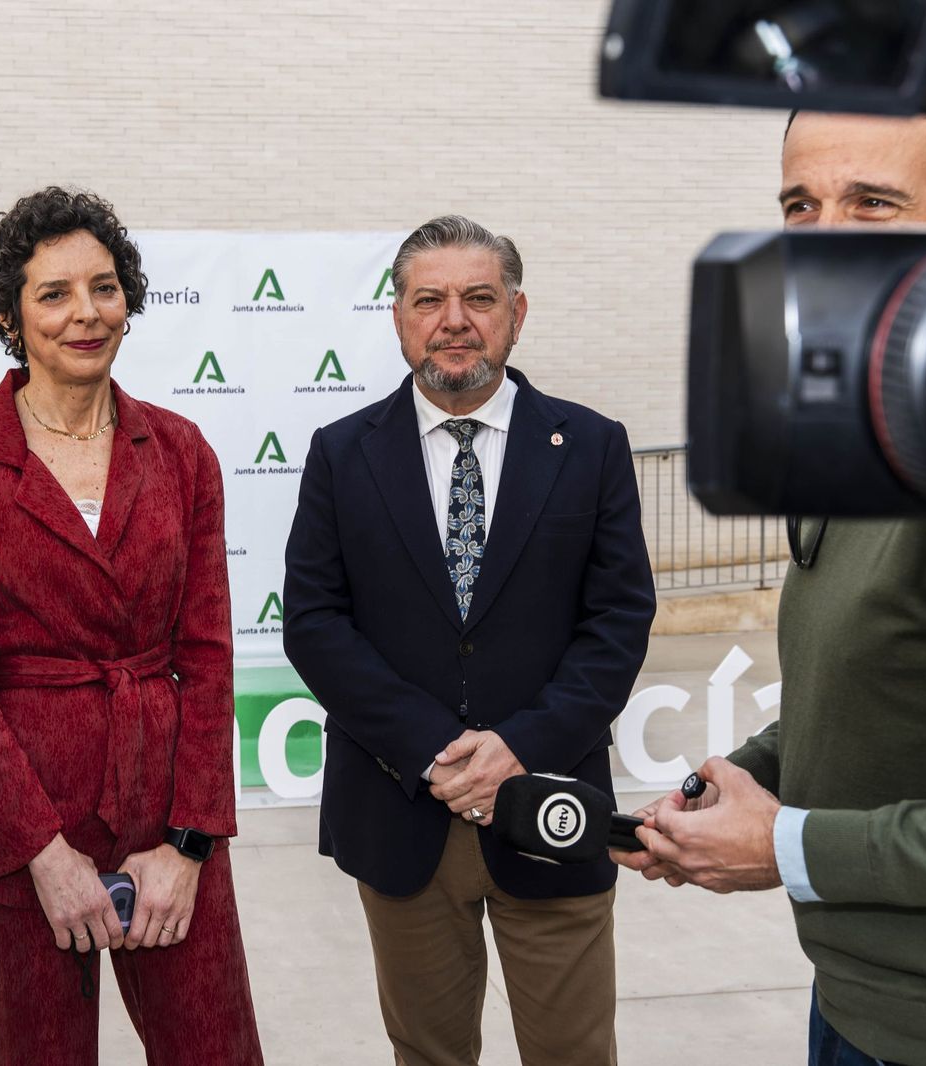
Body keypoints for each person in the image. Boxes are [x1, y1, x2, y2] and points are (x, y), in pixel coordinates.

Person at [613, 112, 926, 1066]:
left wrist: (786, 847)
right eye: (801, 205)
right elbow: (883, 691)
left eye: (873, 204)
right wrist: (742, 782)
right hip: (854, 1009)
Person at [282, 215, 655, 1066]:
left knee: (574, 1055)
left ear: (516, 313)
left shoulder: (591, 446)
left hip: (552, 809)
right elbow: (314, 620)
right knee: (429, 1055)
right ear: (399, 318)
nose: (454, 319)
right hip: (403, 812)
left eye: (478, 298)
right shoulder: (342, 454)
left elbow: (618, 620)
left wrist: (517, 748)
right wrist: (436, 750)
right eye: (430, 299)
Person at [0, 186, 262, 1065]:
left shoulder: (180, 450)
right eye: (53, 293)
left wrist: (188, 843)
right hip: (21, 830)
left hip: (169, 815)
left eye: (104, 288)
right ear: (9, 313)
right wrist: (43, 855)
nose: (85, 314)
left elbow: (209, 660)